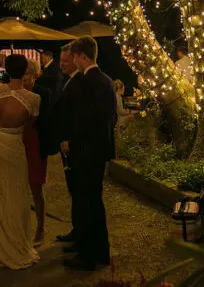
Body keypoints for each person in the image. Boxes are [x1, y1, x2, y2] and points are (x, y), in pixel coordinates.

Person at [62, 36, 117, 271]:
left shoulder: (87, 82)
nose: (73, 60)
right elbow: (110, 119)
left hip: (85, 153)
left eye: (75, 56)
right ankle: (101, 251)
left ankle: (87, 256)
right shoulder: (106, 81)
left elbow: (82, 123)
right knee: (95, 202)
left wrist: (73, 145)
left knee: (86, 204)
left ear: (83, 56)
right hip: (100, 150)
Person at [0, 54, 40, 270]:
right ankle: (15, 242)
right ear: (25, 70)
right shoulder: (34, 99)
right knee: (15, 193)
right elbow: (29, 126)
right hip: (15, 146)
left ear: (5, 68)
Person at [54, 42, 84, 244]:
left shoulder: (80, 83)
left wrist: (67, 138)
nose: (61, 64)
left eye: (65, 60)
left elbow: (77, 117)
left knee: (78, 191)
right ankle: (77, 229)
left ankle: (81, 233)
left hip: (75, 146)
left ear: (75, 59)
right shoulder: (69, 80)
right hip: (68, 144)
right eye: (60, 60)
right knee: (73, 190)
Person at [23, 59, 52, 247]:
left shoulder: (43, 93)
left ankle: (41, 227)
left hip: (35, 142)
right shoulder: (14, 91)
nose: (24, 80)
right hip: (18, 140)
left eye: (27, 77)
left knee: (35, 185)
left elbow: (46, 121)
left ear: (35, 75)